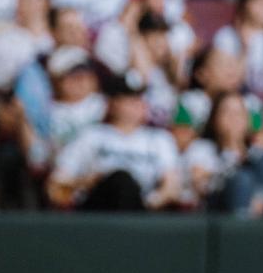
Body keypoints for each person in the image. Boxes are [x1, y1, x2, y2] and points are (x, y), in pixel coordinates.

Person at [48, 72, 184, 211]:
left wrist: (149, 202)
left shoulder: (159, 139)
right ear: (112, 103)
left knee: (125, 183)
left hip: (141, 209)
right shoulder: (91, 135)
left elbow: (172, 186)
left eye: (140, 98)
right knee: (119, 180)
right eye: (129, 99)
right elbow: (56, 184)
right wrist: (86, 182)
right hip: (99, 208)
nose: (138, 104)